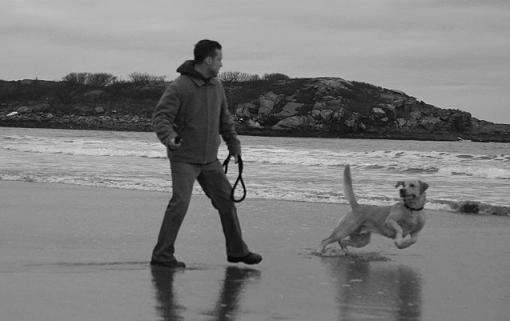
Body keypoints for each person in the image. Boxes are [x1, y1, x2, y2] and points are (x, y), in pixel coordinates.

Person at [150, 39, 262, 268]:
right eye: (219, 59)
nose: (221, 64)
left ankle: (237, 251)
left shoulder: (217, 86)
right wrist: (170, 138)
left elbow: (225, 118)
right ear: (208, 59)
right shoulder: (179, 87)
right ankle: (162, 256)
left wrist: (234, 144)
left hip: (210, 160)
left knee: (227, 202)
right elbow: (161, 117)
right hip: (184, 158)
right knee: (179, 204)